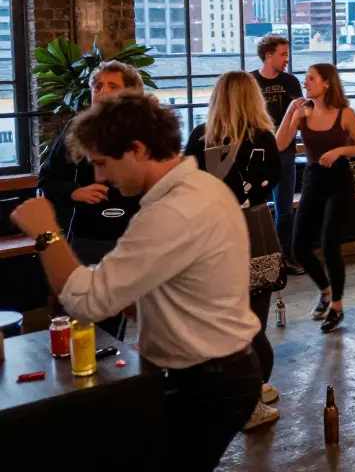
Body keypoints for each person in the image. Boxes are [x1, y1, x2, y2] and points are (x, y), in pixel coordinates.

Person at [12, 94, 262, 471]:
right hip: (222, 372)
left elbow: (86, 303)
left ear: (137, 149)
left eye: (102, 163)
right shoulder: (203, 188)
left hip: (206, 383)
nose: (101, 177)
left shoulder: (171, 212)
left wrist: (47, 233)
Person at [184, 71, 283, 431]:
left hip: (212, 235)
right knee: (255, 320)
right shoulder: (263, 137)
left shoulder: (200, 136)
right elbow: (275, 179)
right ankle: (252, 395)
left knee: (220, 318)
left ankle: (233, 390)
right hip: (256, 230)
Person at [38, 61, 144, 340]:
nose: (103, 92)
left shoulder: (146, 132)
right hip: (89, 240)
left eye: (112, 86)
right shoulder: (77, 129)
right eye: (98, 86)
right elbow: (48, 180)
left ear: (131, 92)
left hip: (135, 239)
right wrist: (76, 192)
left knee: (125, 328)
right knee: (85, 326)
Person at [275, 63, 355, 333]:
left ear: (326, 82)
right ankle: (325, 291)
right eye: (306, 78)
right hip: (313, 180)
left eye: (311, 78)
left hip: (340, 182)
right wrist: (290, 113)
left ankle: (337, 306)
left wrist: (340, 150)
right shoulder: (303, 112)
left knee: (330, 244)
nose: (305, 83)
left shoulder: (345, 113)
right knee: (298, 247)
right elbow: (280, 144)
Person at [252, 34, 305, 276]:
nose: (287, 59)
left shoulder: (290, 82)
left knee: (285, 208)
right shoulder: (251, 82)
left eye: (287, 54)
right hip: (257, 154)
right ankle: (261, 258)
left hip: (286, 152)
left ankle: (285, 257)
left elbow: (299, 116)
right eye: (283, 54)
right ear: (268, 55)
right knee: (256, 207)